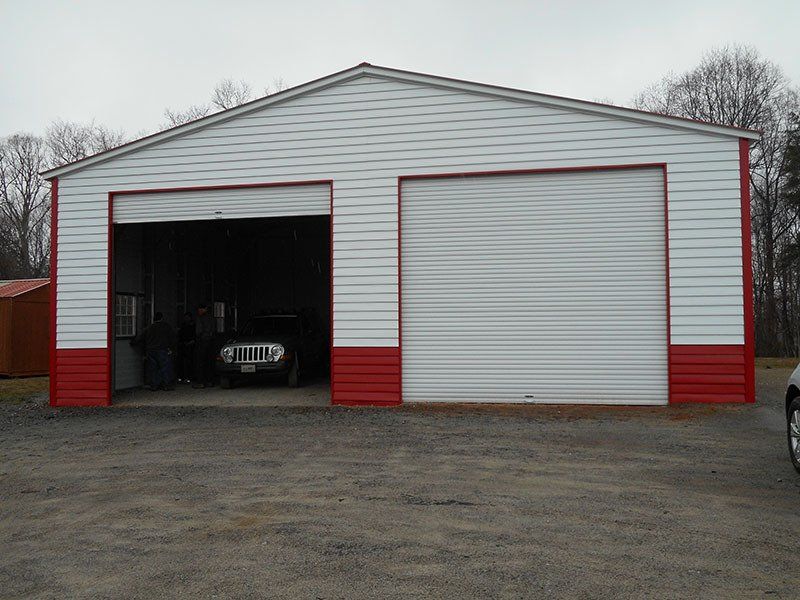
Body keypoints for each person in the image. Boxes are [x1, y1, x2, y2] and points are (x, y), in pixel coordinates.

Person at [133, 311, 176, 391]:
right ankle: (166, 384)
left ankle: (154, 385)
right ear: (162, 318)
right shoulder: (166, 327)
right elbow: (172, 338)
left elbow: (140, 337)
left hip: (151, 350)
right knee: (164, 367)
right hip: (162, 349)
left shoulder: (149, 327)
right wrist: (172, 348)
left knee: (153, 368)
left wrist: (133, 342)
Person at [193, 303, 216, 388]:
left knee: (200, 362)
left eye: (199, 309)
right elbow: (214, 330)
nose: (198, 311)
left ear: (203, 309)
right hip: (211, 341)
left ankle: (200, 382)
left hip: (202, 341)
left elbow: (198, 331)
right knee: (209, 362)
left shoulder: (200, 318)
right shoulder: (212, 318)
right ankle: (210, 381)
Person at [177, 311, 195, 384]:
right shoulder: (183, 325)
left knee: (189, 362)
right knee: (181, 362)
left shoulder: (193, 326)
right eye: (185, 317)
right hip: (183, 345)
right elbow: (180, 335)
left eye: (187, 317)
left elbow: (195, 335)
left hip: (190, 345)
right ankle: (181, 377)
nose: (186, 319)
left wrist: (192, 341)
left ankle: (189, 377)